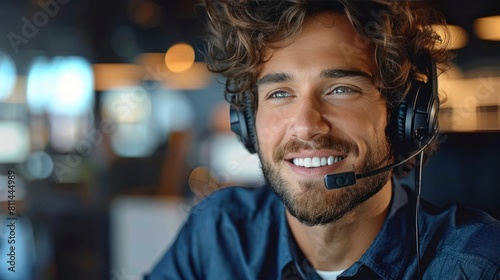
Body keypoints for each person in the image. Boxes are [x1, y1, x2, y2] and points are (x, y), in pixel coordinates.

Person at [147, 1, 500, 279]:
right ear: (248, 124)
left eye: (340, 89)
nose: (305, 126)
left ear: (404, 117)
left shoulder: (478, 265)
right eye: (280, 94)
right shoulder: (218, 233)